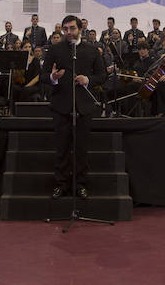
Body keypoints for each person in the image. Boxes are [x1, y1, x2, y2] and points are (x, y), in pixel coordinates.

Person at [41, 15, 106, 199]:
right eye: (65, 29)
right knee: (61, 148)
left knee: (82, 149)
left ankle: (80, 185)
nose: (68, 32)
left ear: (80, 29)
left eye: (72, 28)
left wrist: (89, 80)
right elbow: (44, 75)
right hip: (61, 105)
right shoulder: (55, 49)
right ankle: (61, 184)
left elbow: (102, 76)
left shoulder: (93, 51)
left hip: (84, 107)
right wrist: (53, 77)